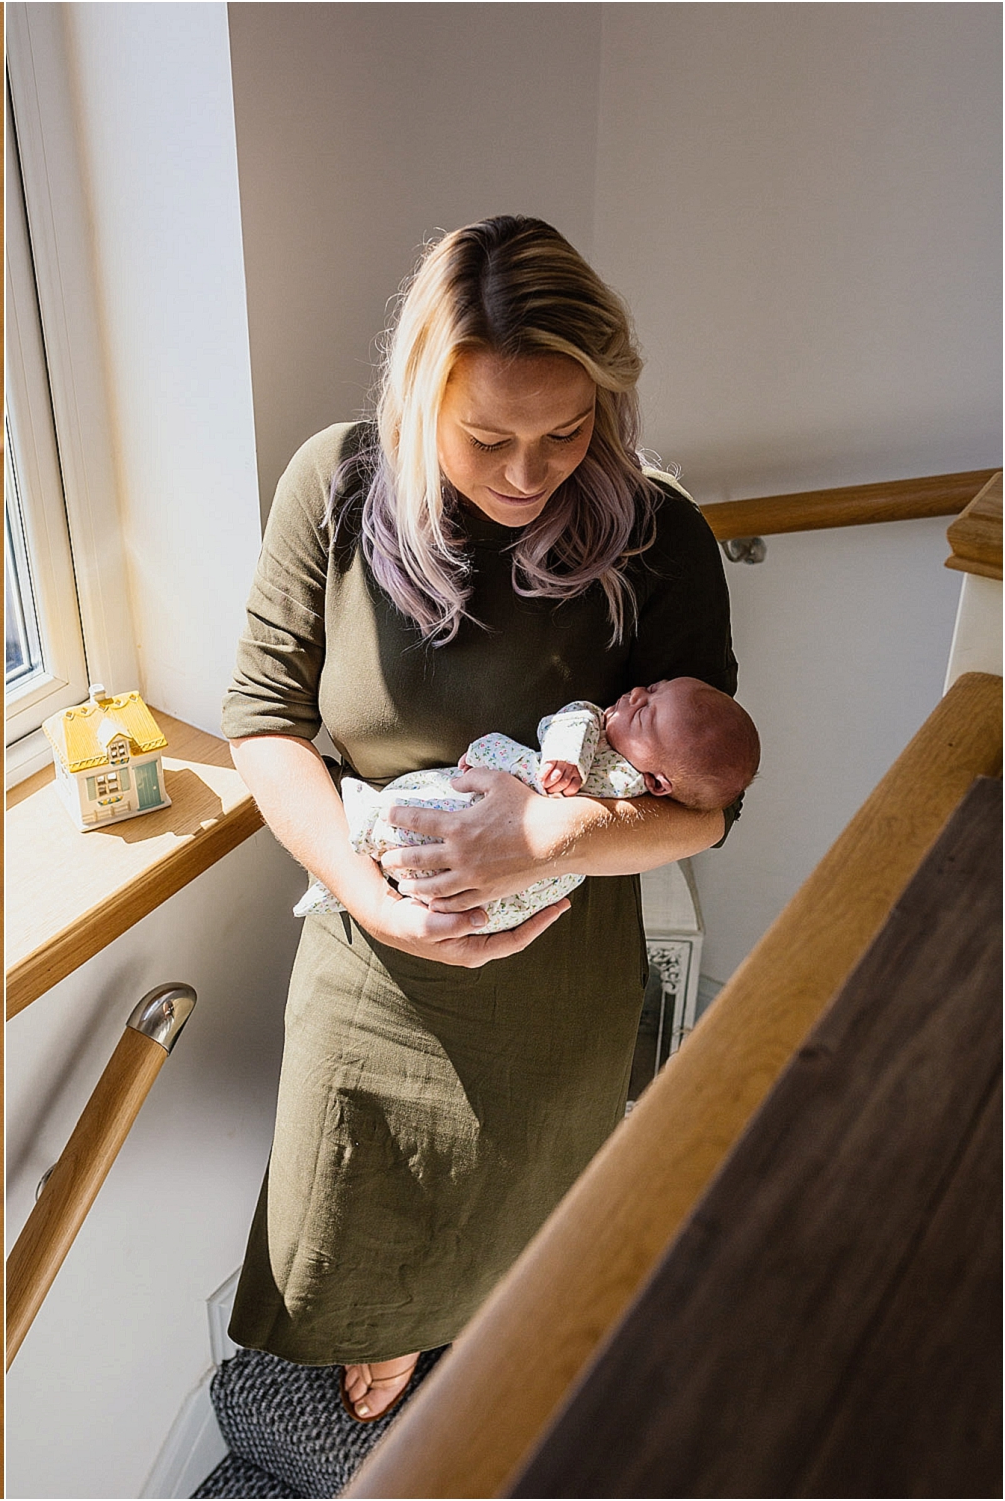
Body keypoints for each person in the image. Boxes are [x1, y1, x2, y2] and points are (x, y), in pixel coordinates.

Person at [223, 216, 748, 1424]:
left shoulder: (657, 535)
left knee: (521, 1219)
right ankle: (392, 1333)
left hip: (553, 967)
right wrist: (368, 899)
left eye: (564, 432)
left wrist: (546, 840)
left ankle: (472, 1362)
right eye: (485, 437)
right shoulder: (332, 488)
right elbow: (261, 720)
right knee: (344, 1223)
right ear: (419, 397)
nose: (525, 475)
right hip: (369, 948)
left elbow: (706, 811)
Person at [301, 678, 761, 932]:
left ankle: (368, 831)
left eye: (644, 715)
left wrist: (500, 759)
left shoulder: (607, 761)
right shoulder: (609, 756)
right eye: (654, 687)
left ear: (659, 783)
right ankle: (361, 862)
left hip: (486, 877)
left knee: (413, 820)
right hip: (466, 889)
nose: (637, 695)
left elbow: (535, 757)